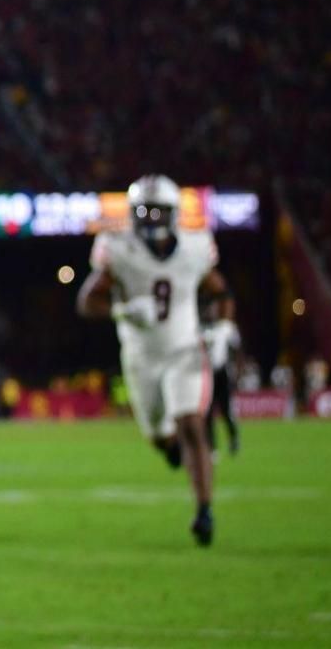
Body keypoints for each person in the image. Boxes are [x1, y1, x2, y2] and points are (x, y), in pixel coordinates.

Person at [78, 174, 228, 547]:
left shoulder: (196, 248)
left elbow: (221, 292)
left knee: (191, 423)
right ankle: (174, 450)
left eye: (158, 211)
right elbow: (86, 301)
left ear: (174, 213)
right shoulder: (118, 248)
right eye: (143, 211)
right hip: (141, 358)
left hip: (184, 350)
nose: (151, 219)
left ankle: (204, 511)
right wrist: (123, 309)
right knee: (161, 438)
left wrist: (223, 326)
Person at [202, 311, 241, 457]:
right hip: (207, 374)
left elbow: (236, 349)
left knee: (226, 410)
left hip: (222, 373)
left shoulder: (226, 327)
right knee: (208, 412)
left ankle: (233, 438)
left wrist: (238, 368)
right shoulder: (199, 328)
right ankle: (212, 447)